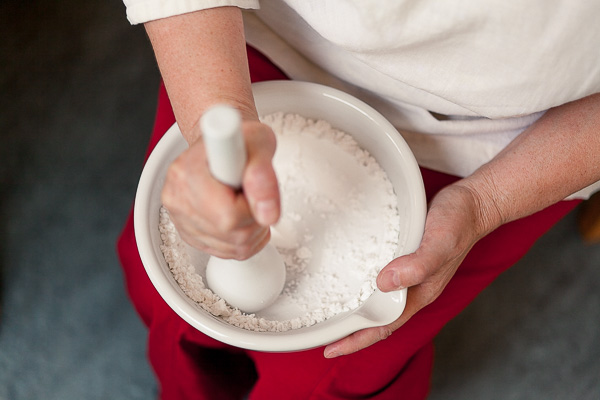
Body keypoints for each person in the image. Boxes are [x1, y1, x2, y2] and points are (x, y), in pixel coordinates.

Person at [117, 2, 600, 399]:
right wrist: (215, 116)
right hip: (246, 51)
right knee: (155, 289)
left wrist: (482, 203)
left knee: (327, 377)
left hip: (510, 146)